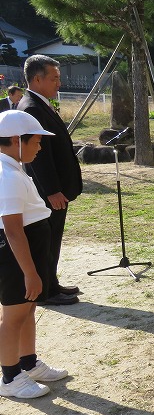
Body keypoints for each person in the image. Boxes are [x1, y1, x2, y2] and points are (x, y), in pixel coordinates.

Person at [0, 110, 69, 399]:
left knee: (28, 309)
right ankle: (10, 377)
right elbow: (13, 229)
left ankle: (28, 363)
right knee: (14, 315)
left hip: (30, 250)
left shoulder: (14, 167)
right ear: (17, 140)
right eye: (36, 142)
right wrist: (29, 272)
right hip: (18, 257)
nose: (39, 148)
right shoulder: (8, 175)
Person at [17, 55, 82, 306]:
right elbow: (38, 157)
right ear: (37, 78)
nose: (59, 84)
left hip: (54, 190)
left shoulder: (40, 104)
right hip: (47, 192)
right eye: (54, 78)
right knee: (46, 239)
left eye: (59, 78)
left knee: (53, 238)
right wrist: (53, 190)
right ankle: (46, 292)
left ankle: (51, 283)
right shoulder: (31, 107)